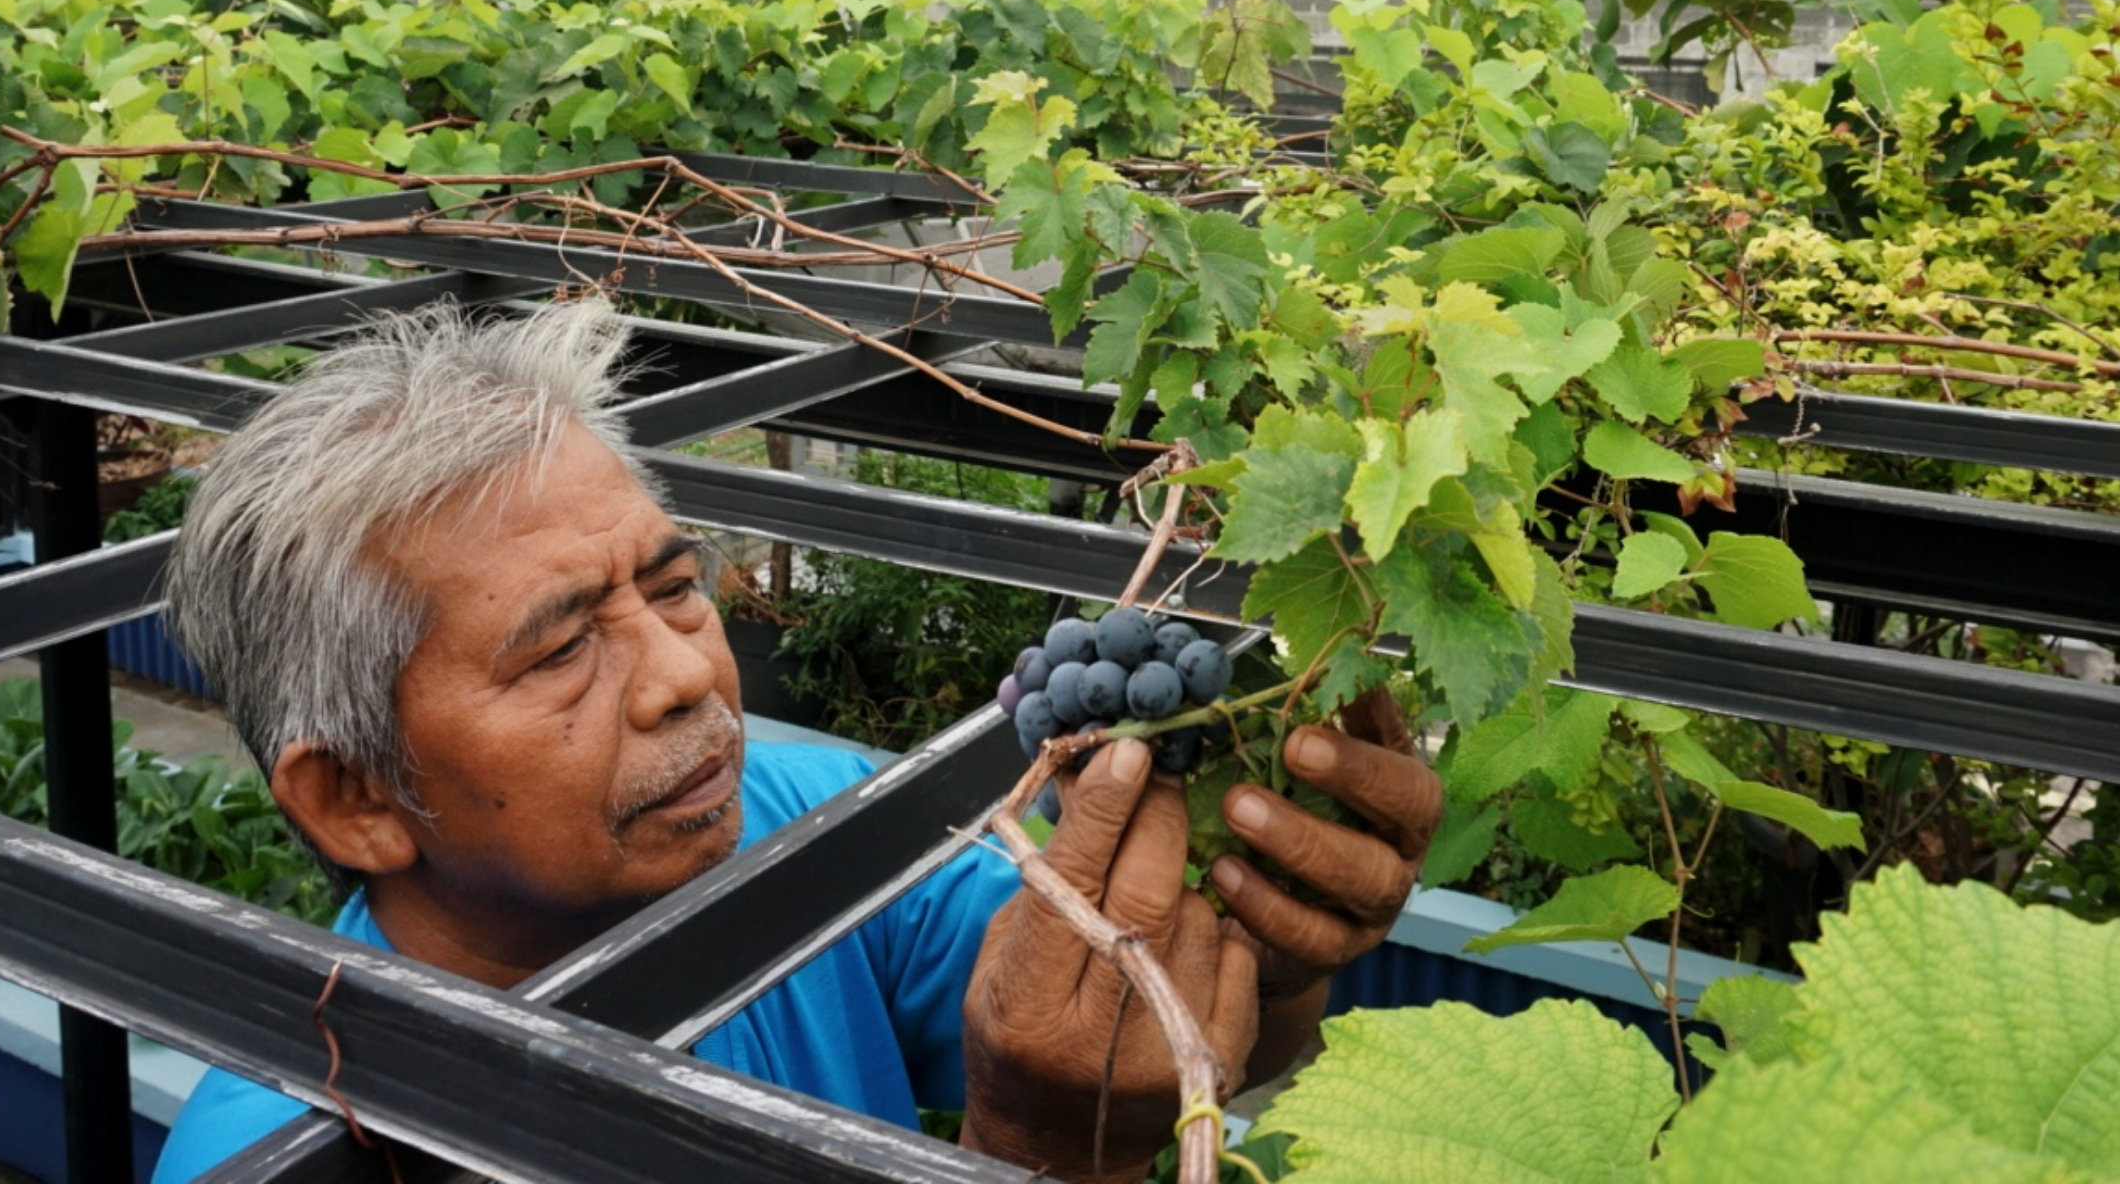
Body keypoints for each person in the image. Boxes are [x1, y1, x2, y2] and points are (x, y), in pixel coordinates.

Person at [148, 300, 1440, 1183]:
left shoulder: (813, 821)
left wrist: (1263, 962)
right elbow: (1058, 1108)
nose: (685, 675)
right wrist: (1034, 1157)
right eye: (557, 649)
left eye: (670, 586)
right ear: (358, 797)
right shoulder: (299, 1153)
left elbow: (1121, 1040)